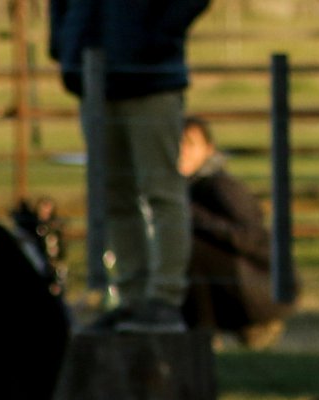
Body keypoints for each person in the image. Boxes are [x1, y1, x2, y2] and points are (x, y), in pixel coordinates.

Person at [50, 0, 210, 332]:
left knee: (161, 190)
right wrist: (64, 40)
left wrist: (157, 34)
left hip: (151, 78)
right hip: (93, 76)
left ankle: (165, 298)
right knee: (113, 195)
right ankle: (132, 299)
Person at [179, 116, 290, 349]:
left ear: (209, 149)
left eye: (189, 143)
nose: (182, 151)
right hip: (233, 284)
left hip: (257, 288)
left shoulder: (221, 186)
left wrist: (191, 214)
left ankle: (205, 336)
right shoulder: (190, 187)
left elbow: (249, 238)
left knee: (192, 249)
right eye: (176, 144)